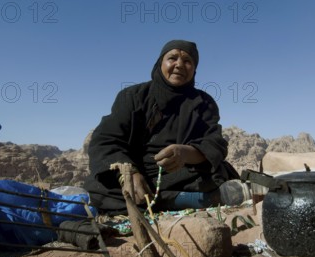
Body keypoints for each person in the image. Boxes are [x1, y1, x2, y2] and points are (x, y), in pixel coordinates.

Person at [85, 39, 247, 215]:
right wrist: (129, 173)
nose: (179, 65)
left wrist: (186, 153)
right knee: (99, 189)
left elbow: (215, 143)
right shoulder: (132, 96)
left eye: (187, 61)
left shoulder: (204, 103)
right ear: (160, 63)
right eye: (172, 58)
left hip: (181, 174)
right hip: (139, 172)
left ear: (194, 69)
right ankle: (194, 200)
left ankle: (163, 201)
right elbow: (106, 140)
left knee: (218, 172)